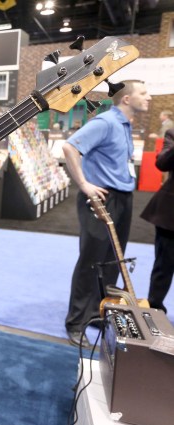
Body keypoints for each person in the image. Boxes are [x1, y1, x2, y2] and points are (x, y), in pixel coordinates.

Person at [61, 79, 151, 349]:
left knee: (114, 261)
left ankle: (98, 314)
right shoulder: (106, 122)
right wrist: (84, 184)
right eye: (143, 93)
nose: (148, 98)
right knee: (91, 261)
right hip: (101, 198)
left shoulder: (125, 125)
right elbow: (69, 147)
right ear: (126, 99)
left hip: (123, 198)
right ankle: (76, 323)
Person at [140, 127, 174, 313]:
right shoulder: (172, 133)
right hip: (170, 215)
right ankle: (154, 308)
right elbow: (162, 163)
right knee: (164, 264)